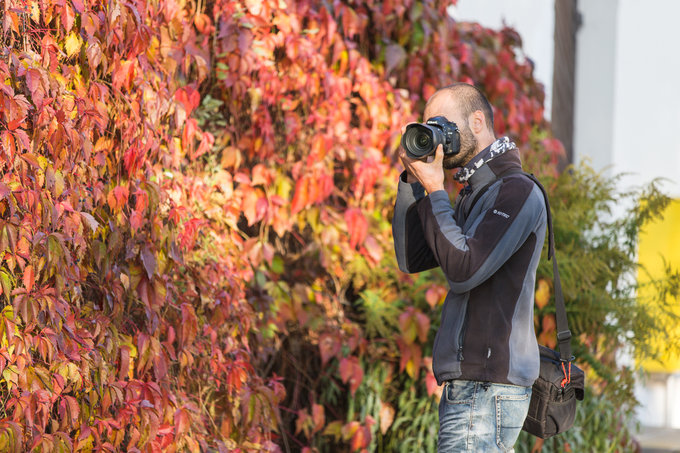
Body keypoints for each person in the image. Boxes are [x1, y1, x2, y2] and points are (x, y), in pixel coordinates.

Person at [392, 83, 547, 452]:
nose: (436, 137)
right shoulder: (475, 192)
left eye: (441, 124)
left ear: (478, 121)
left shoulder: (515, 191)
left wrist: (436, 192)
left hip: (485, 387)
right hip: (476, 388)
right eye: (428, 127)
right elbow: (411, 258)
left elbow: (463, 270)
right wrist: (414, 184)